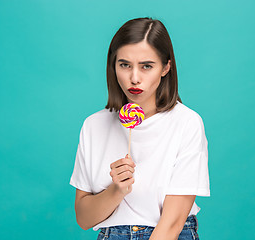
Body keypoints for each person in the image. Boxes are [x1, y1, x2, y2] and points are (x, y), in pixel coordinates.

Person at [69, 17, 210, 240]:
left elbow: (172, 224)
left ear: (165, 67)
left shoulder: (187, 123)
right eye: (124, 65)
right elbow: (84, 219)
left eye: (147, 66)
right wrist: (117, 190)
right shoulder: (93, 126)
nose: (134, 78)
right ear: (113, 65)